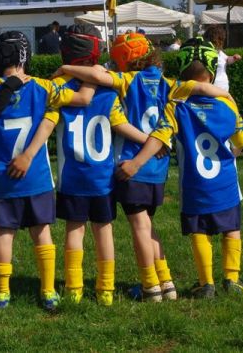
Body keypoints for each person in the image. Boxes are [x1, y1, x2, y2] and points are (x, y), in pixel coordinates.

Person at [56, 32, 231, 302]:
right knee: (148, 225)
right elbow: (202, 88)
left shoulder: (128, 80)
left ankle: (150, 286)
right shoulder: (168, 83)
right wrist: (229, 98)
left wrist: (66, 68)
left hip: (132, 166)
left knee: (139, 226)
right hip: (157, 167)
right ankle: (167, 283)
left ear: (125, 60)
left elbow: (100, 78)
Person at [0, 31, 95, 310]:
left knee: (4, 234)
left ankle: (2, 294)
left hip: (2, 180)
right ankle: (48, 291)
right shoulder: (43, 87)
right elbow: (83, 99)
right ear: (25, 56)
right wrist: (91, 70)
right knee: (42, 233)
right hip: (36, 177)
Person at [11, 24, 149, 306]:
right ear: (95, 52)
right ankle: (106, 290)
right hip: (102, 180)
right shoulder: (108, 91)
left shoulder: (58, 88)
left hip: (72, 178)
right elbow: (120, 125)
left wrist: (28, 153)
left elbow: (48, 124)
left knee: (75, 230)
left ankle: (73, 289)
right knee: (104, 231)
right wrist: (151, 141)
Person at [117, 37, 243, 298]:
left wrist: (137, 162)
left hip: (194, 184)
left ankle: (206, 283)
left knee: (199, 230)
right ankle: (232, 278)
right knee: (231, 227)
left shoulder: (177, 105)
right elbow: (242, 140)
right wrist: (231, 154)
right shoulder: (227, 102)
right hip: (225, 181)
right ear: (212, 70)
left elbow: (160, 135)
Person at [203, 25, 241, 92]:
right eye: (220, 39)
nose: (221, 42)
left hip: (224, 87)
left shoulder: (219, 52)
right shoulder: (205, 52)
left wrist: (234, 58)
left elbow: (227, 59)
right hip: (212, 88)